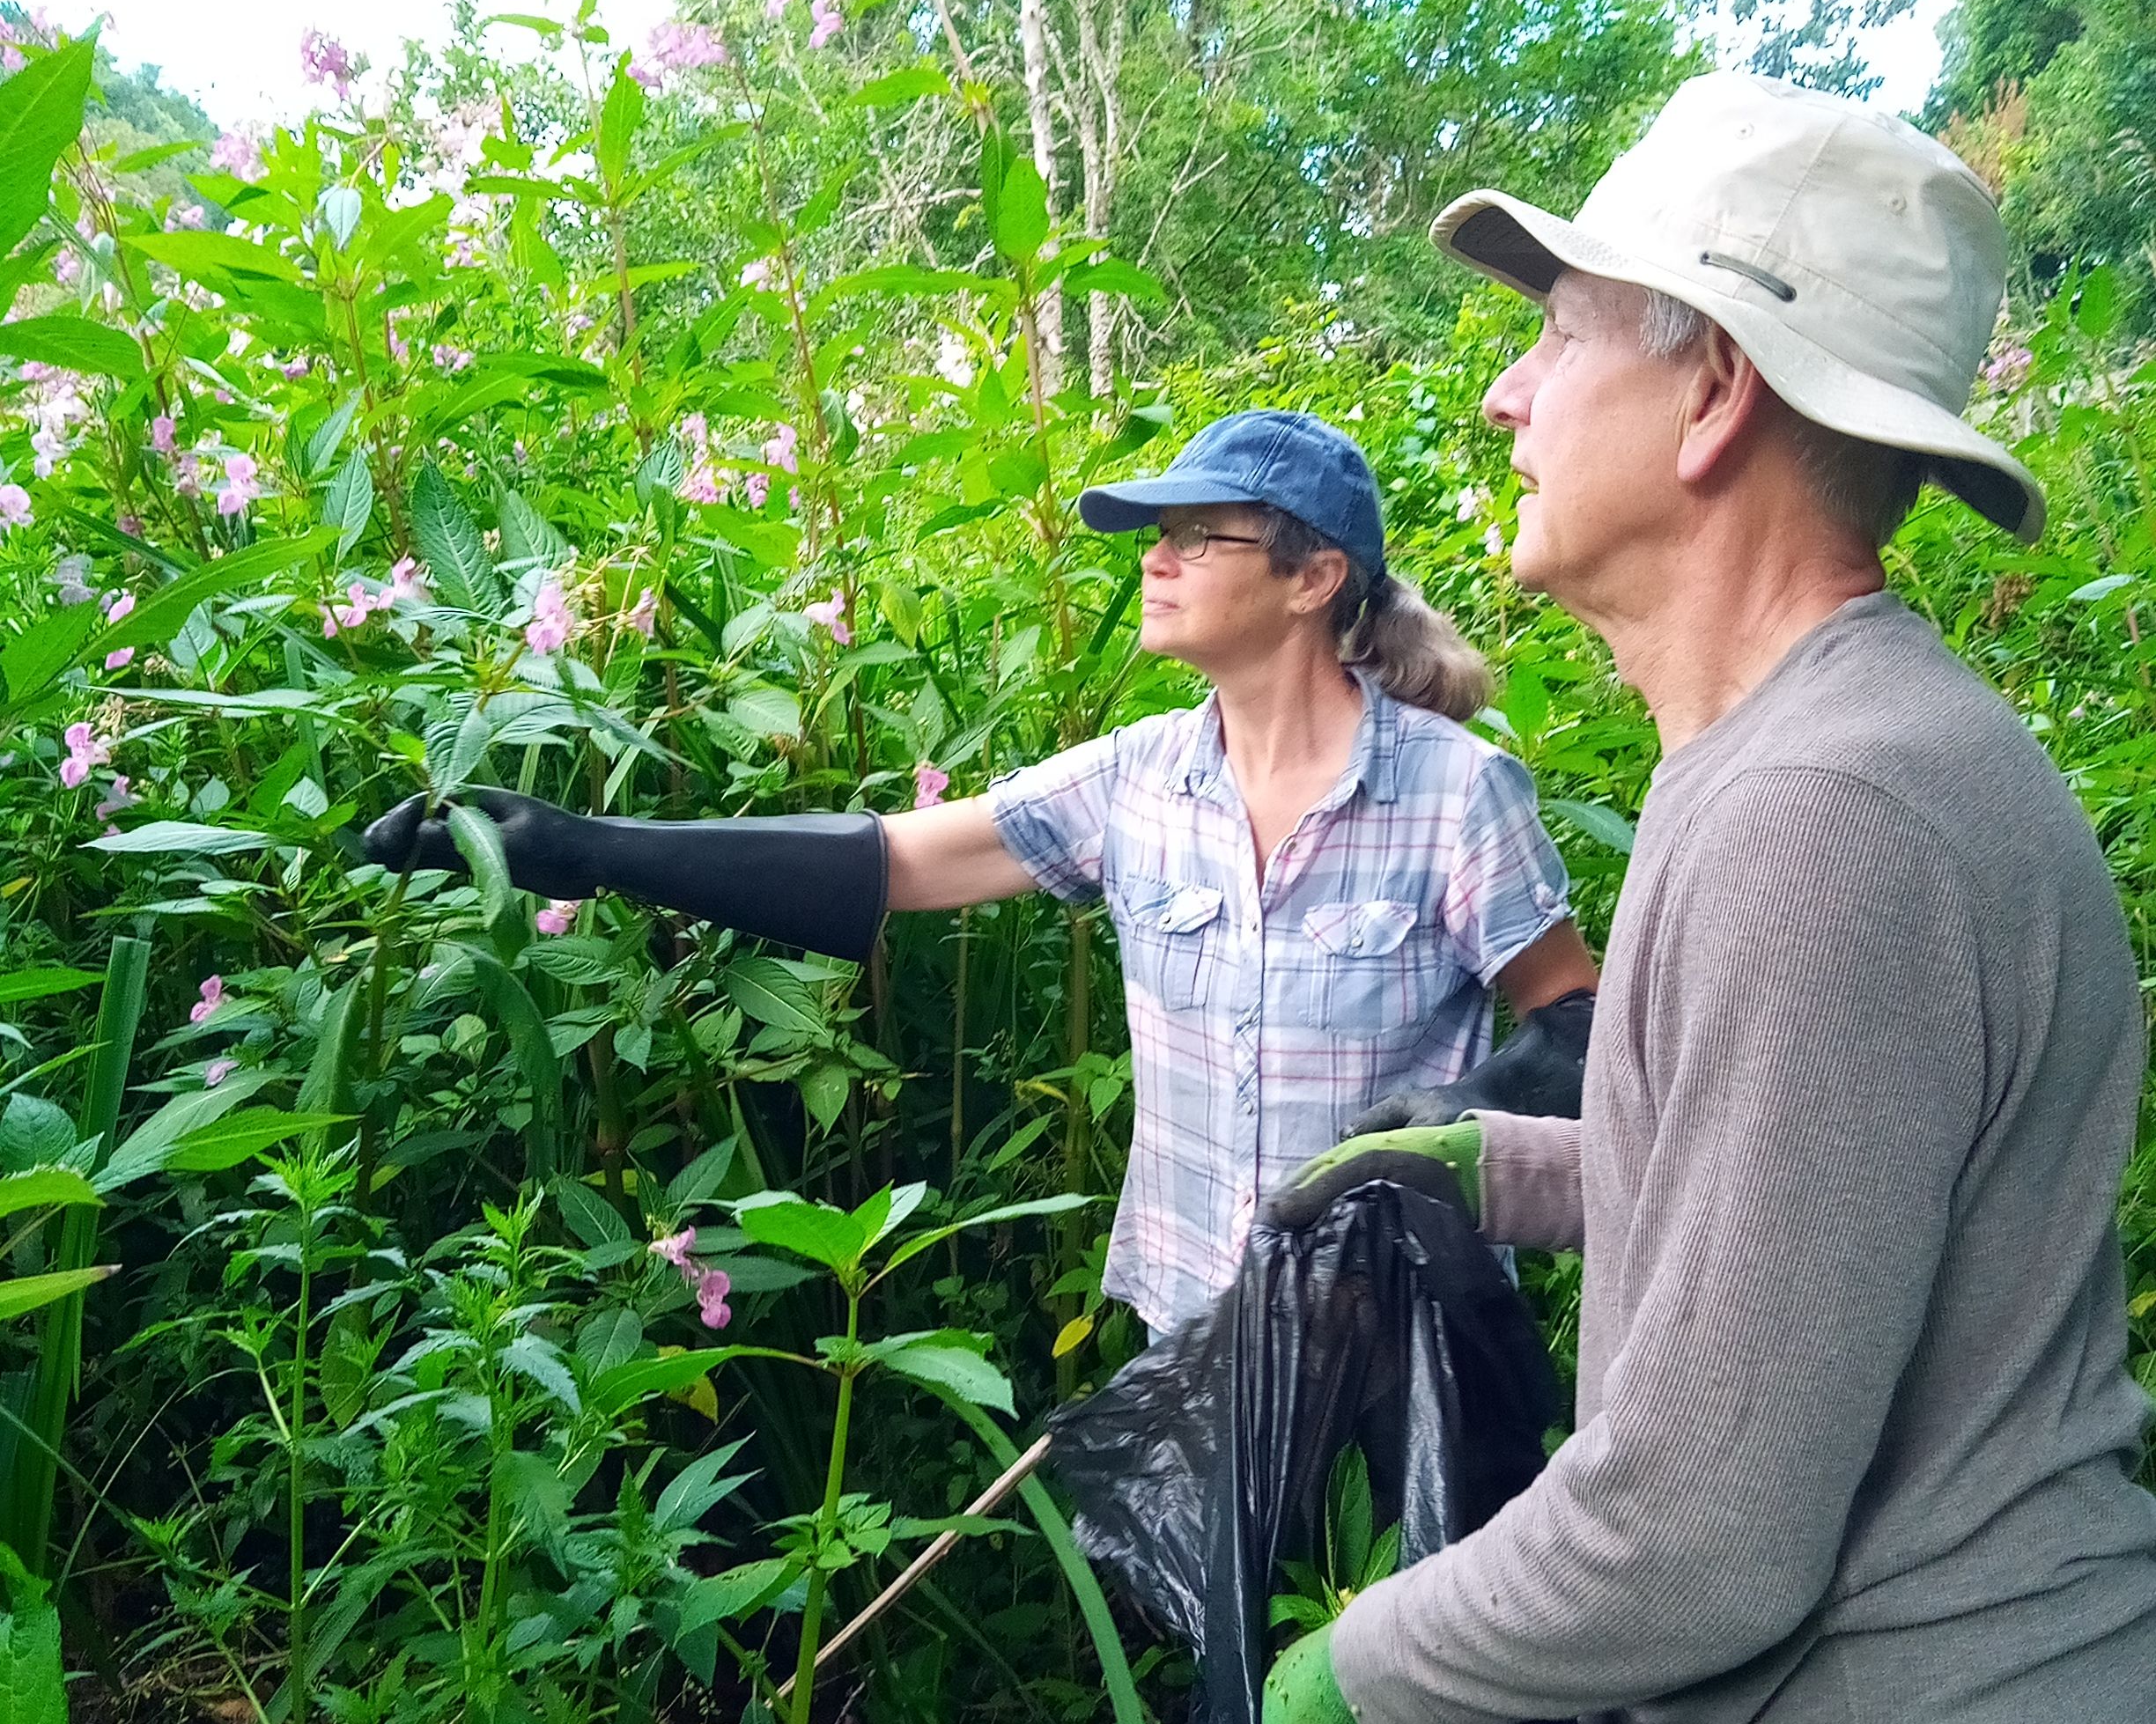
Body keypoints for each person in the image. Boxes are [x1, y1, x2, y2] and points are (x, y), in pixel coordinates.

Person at [1264, 72, 2156, 1724]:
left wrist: (1356, 1669)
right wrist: (1495, 1165)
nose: (1504, 382)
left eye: (1560, 327)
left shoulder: (1831, 815)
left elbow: (1699, 1532)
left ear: (1717, 390)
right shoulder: (1793, 768)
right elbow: (1808, 1207)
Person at [365, 409, 1596, 1336]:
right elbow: (888, 863)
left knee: (1387, 1657)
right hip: (1194, 1320)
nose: (1154, 563)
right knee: (1231, 1667)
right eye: (1153, 539)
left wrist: (1442, 1132)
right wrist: (584, 848)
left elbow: (1579, 1024)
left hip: (1399, 1327)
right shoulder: (1135, 780)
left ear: (1314, 578)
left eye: (1194, 538)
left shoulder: (1453, 790)